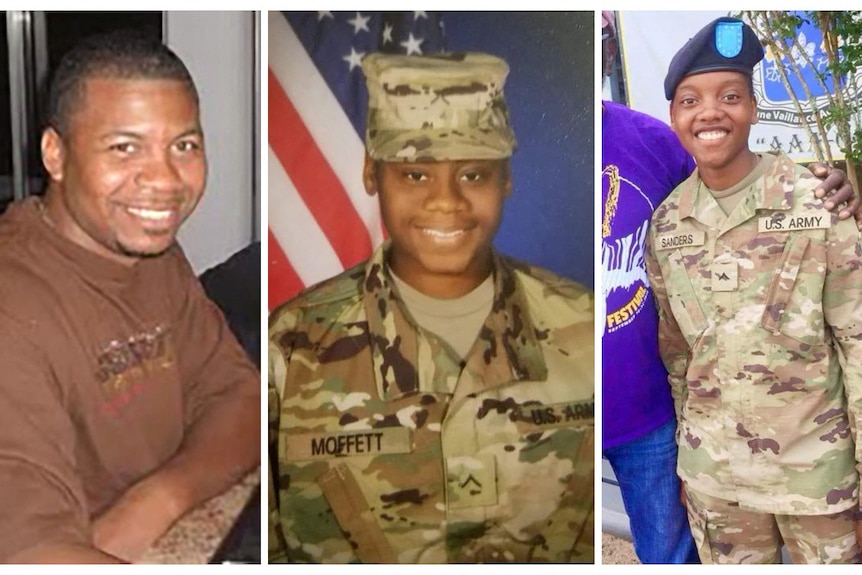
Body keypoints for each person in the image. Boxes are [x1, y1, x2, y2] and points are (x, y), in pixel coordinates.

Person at [269, 52, 594, 563]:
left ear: (507, 179)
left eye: (474, 175)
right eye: (416, 175)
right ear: (372, 174)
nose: (446, 202)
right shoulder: (290, 349)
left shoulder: (584, 326)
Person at [600, 11, 859, 564]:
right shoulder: (666, 224)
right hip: (717, 483)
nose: (710, 113)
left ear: (752, 107)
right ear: (672, 115)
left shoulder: (816, 205)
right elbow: (675, 354)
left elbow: (857, 341)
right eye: (690, 101)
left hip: (818, 477)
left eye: (729, 96)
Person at [0, 32, 260, 563]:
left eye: (183, 145)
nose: (165, 180)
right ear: (56, 153)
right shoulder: (14, 305)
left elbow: (245, 402)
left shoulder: (151, 255)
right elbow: (28, 554)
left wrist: (156, 500)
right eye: (125, 147)